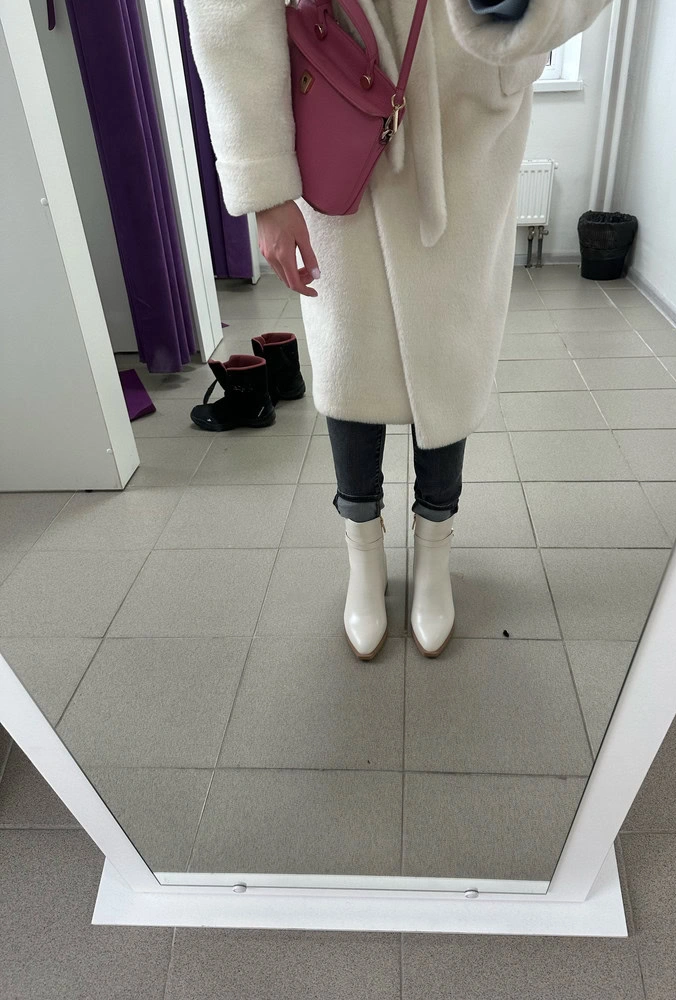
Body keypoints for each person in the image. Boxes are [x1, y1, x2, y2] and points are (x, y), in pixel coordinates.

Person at [183, 0, 612, 659]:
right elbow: (229, 11)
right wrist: (262, 182)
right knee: (348, 356)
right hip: (341, 95)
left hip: (471, 115)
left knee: (451, 354)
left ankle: (435, 548)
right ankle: (363, 551)